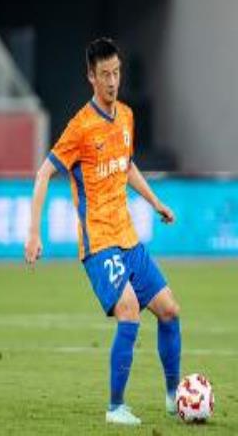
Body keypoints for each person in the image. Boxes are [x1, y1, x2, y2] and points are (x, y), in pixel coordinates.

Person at [25, 37, 181, 426]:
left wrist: (155, 201)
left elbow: (126, 166)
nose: (113, 81)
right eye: (105, 75)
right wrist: (33, 233)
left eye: (117, 73)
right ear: (91, 77)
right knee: (129, 311)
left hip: (128, 237)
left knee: (169, 311)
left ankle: (174, 396)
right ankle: (115, 408)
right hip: (99, 243)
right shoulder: (80, 127)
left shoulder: (126, 116)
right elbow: (43, 173)